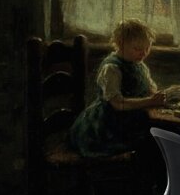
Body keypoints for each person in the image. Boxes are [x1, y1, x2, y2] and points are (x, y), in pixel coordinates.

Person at [69, 18, 165, 157]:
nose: (143, 53)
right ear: (120, 44)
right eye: (138, 49)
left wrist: (156, 96)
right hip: (109, 125)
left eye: (147, 48)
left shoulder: (140, 66)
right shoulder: (112, 68)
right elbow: (117, 104)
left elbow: (149, 88)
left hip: (132, 118)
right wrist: (149, 101)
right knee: (151, 142)